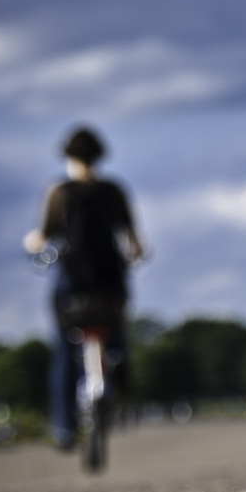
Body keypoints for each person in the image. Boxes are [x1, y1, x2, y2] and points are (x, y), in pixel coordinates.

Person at [23, 126, 147, 448]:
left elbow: (41, 237)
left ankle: (64, 428)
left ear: (68, 156)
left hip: (72, 284)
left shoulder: (59, 192)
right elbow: (134, 241)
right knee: (116, 336)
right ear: (100, 156)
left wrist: (31, 244)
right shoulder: (114, 191)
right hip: (109, 282)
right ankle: (118, 386)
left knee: (64, 348)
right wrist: (136, 253)